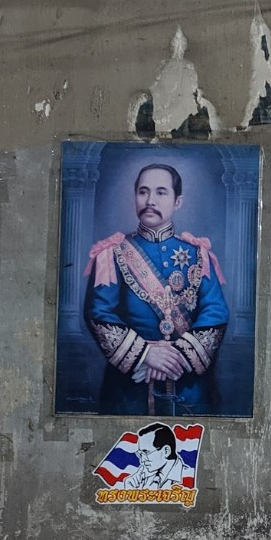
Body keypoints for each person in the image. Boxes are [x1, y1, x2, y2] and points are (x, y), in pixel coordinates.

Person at [85, 163, 230, 416]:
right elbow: (98, 313)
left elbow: (215, 311)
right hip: (130, 388)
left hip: (187, 384)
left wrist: (177, 357)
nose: (150, 200)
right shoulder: (111, 254)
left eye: (161, 192)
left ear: (178, 201)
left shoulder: (199, 254)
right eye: (143, 192)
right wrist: (146, 355)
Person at [118, 422, 187, 490]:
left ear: (166, 451)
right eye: (140, 454)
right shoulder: (143, 479)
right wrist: (130, 490)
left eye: (146, 452)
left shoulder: (187, 475)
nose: (142, 460)